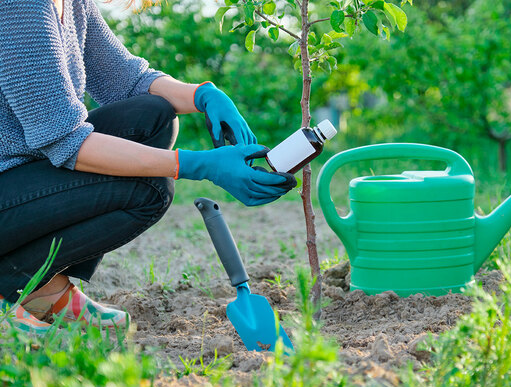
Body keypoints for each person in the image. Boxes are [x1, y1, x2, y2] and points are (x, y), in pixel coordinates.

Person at [0, 0, 296, 334]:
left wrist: (203, 95)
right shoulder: (20, 5)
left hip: (18, 179)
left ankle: (42, 288)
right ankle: (14, 283)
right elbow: (65, 140)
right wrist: (198, 165)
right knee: (149, 190)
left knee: (153, 117)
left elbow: (127, 78)